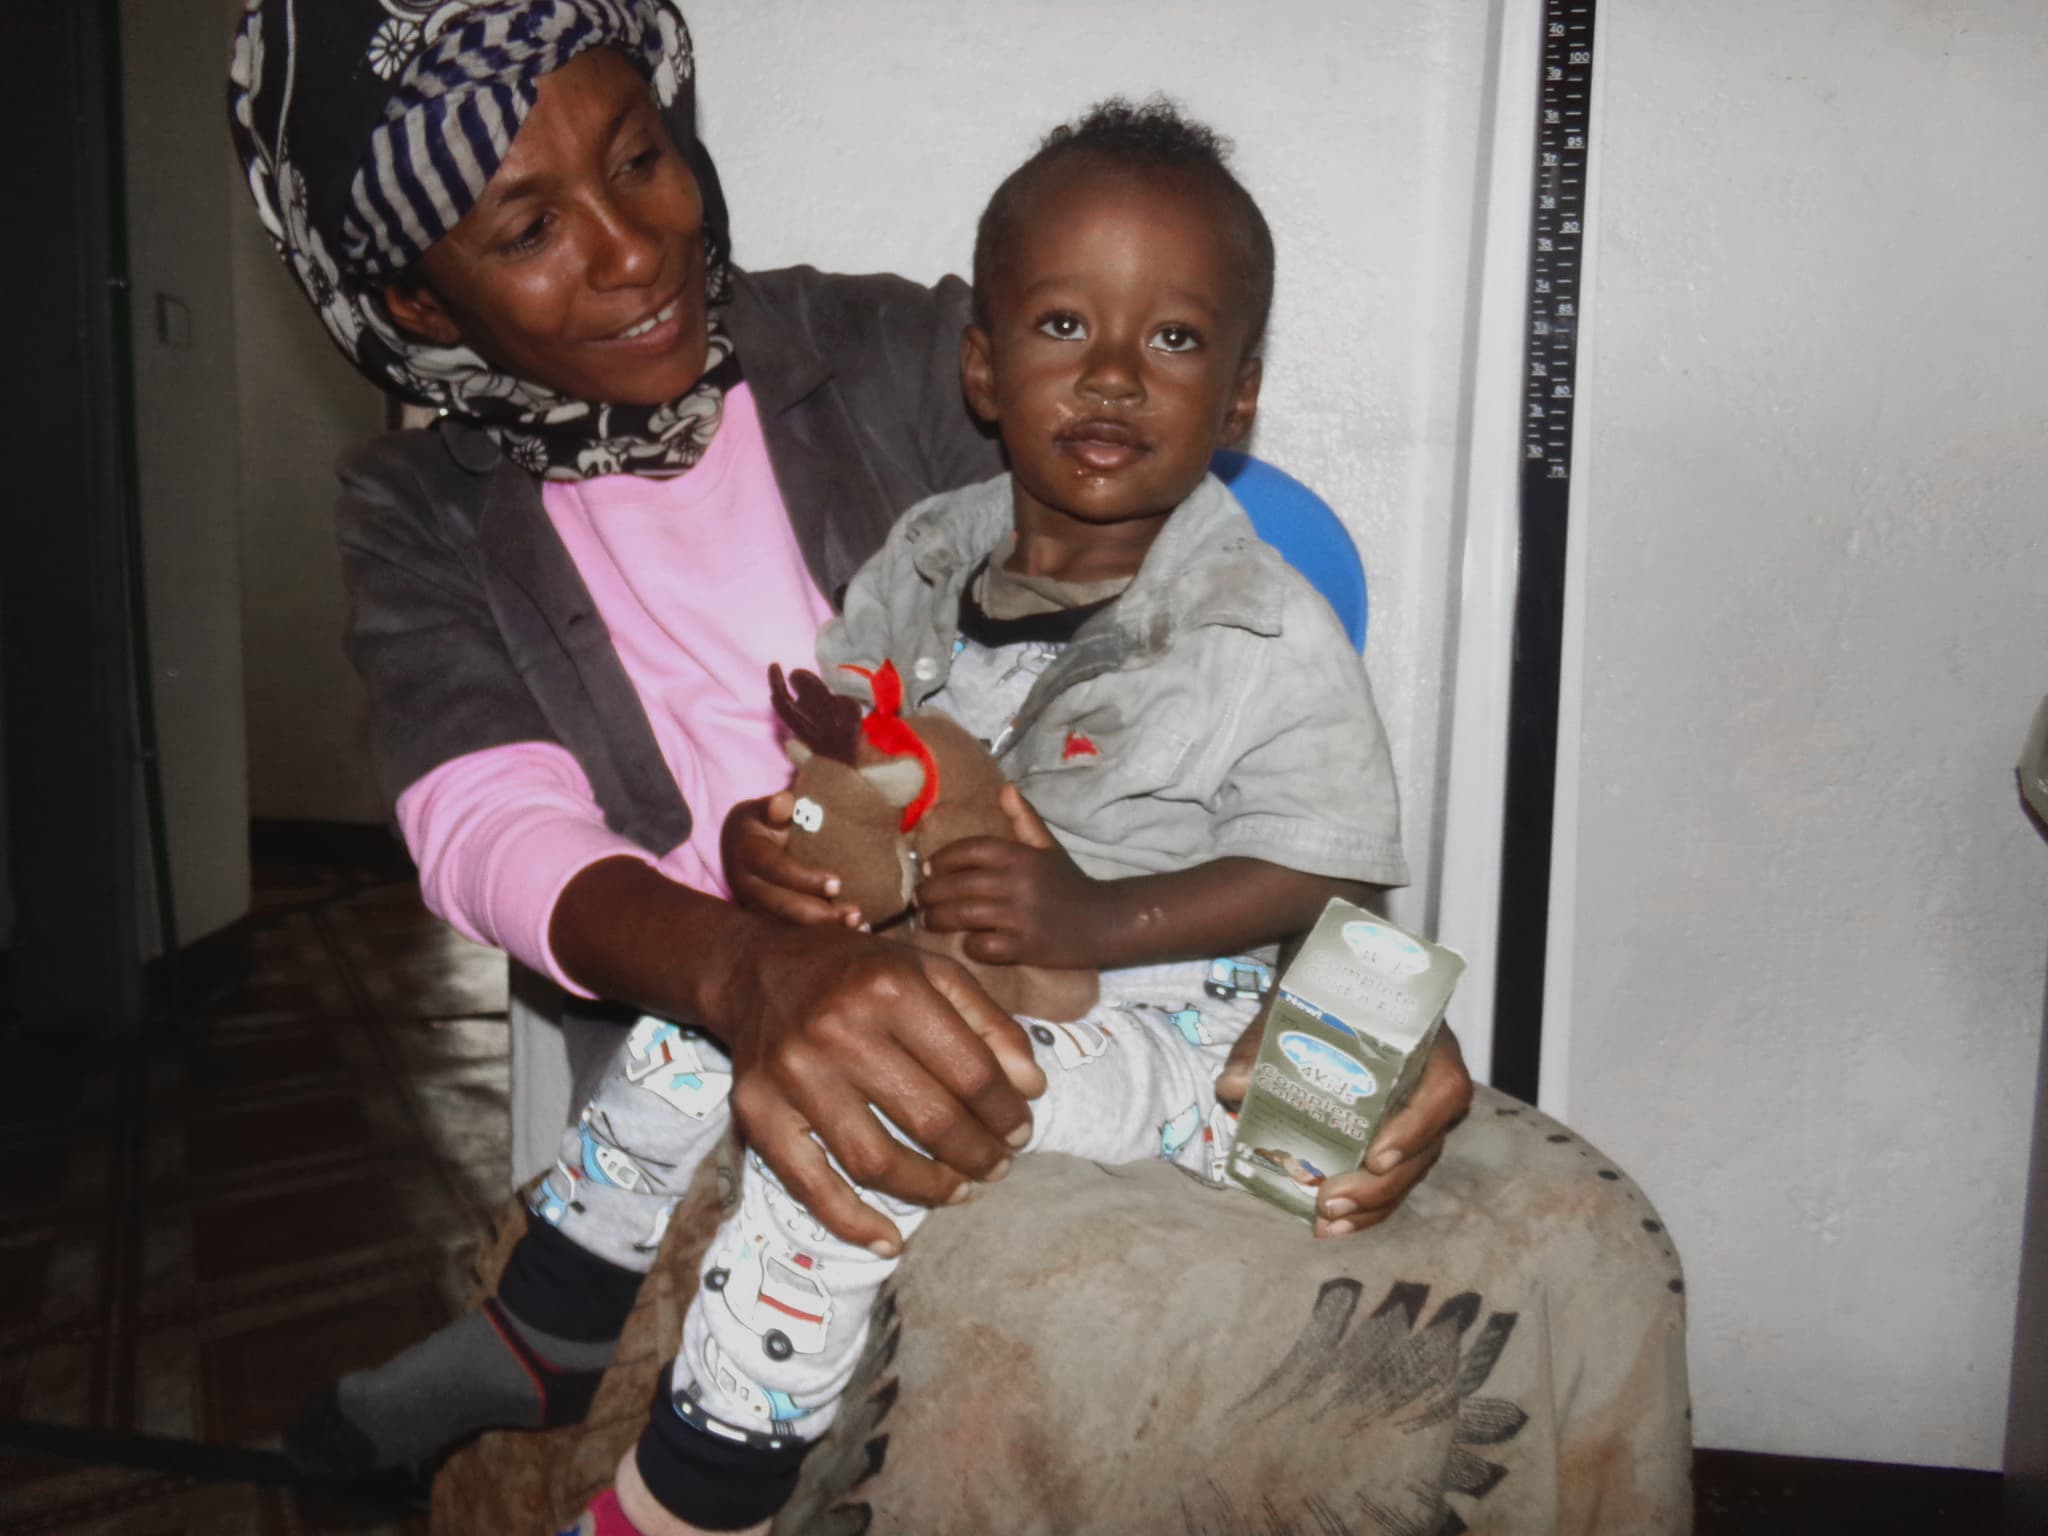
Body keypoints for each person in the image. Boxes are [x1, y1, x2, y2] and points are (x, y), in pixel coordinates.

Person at [225, 0, 1470, 1505]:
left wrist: (1345, 1007)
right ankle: (547, 1331)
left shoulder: (892, 354)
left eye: (641, 159)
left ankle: (688, 1485)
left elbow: (1205, 655)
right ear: (419, 304)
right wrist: (759, 957)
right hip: (742, 971)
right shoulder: (418, 515)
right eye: (526, 227)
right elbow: (489, 828)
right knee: (743, 1080)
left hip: (1058, 943)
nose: (632, 247)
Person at [551, 98, 1414, 1535]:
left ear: (1240, 394)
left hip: (1163, 1007)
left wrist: (1092, 913)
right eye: (1066, 327)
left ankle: (707, 1490)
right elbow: (849, 768)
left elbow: (1328, 863)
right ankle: (558, 1295)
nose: (1119, 375)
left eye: (1179, 341)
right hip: (946, 943)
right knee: (707, 1015)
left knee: (873, 1102)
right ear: (983, 366)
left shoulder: (1260, 624)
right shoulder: (922, 558)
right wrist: (781, 856)